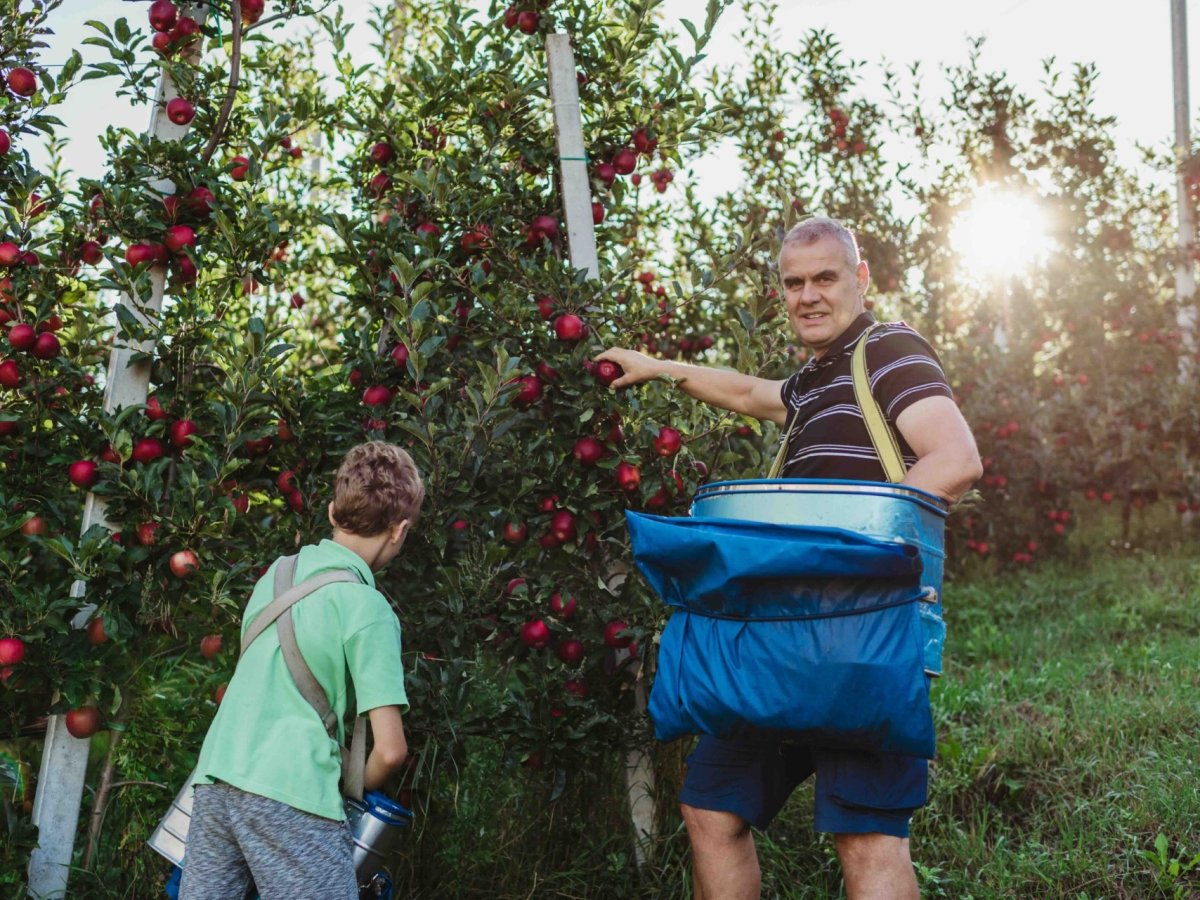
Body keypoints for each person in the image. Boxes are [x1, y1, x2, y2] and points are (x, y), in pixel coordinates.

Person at [596, 216, 982, 900]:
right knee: (712, 808)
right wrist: (662, 369)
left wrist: (845, 551)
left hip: (866, 637)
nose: (808, 294)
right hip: (781, 638)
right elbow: (750, 392)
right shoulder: (812, 383)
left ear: (860, 279)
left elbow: (955, 461)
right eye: (794, 282)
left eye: (825, 278)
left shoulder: (890, 351)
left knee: (866, 838)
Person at [179, 441, 424, 900]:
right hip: (291, 790)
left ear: (332, 511)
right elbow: (391, 751)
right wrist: (348, 786)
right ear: (399, 530)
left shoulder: (278, 574)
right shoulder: (367, 609)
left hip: (217, 779)